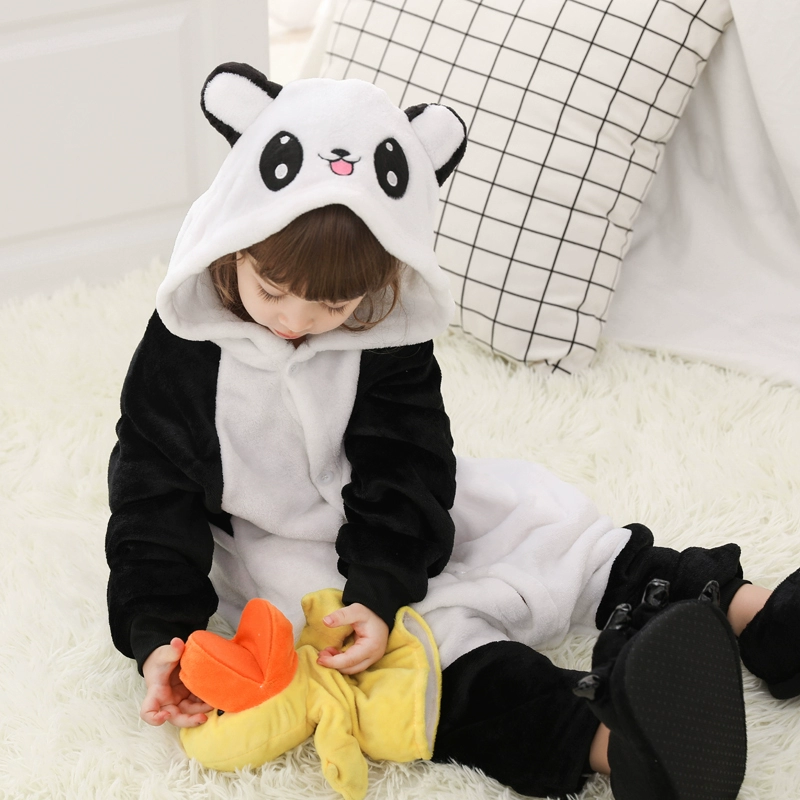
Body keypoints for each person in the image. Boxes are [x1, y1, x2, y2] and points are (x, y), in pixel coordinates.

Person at [106, 63, 799, 800]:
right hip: (276, 546)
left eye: (336, 305)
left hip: (393, 516)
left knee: (550, 531)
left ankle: (756, 616)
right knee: (424, 659)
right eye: (271, 290)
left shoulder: (384, 337)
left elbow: (407, 466)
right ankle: (614, 746)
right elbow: (152, 500)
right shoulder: (184, 349)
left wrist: (381, 585)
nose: (297, 321)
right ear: (234, 244)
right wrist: (161, 637)